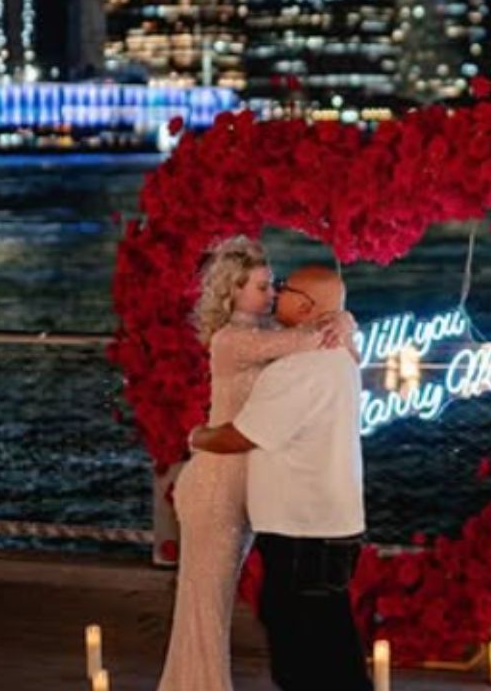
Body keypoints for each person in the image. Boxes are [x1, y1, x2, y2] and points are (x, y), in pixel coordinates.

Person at [158, 239, 356, 691]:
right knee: (205, 605)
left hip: (242, 483)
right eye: (264, 287)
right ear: (234, 291)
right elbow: (310, 338)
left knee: (215, 605)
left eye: (274, 286)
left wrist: (341, 317)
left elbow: (321, 340)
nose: (272, 294)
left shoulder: (266, 334)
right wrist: (338, 317)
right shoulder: (234, 340)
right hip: (216, 482)